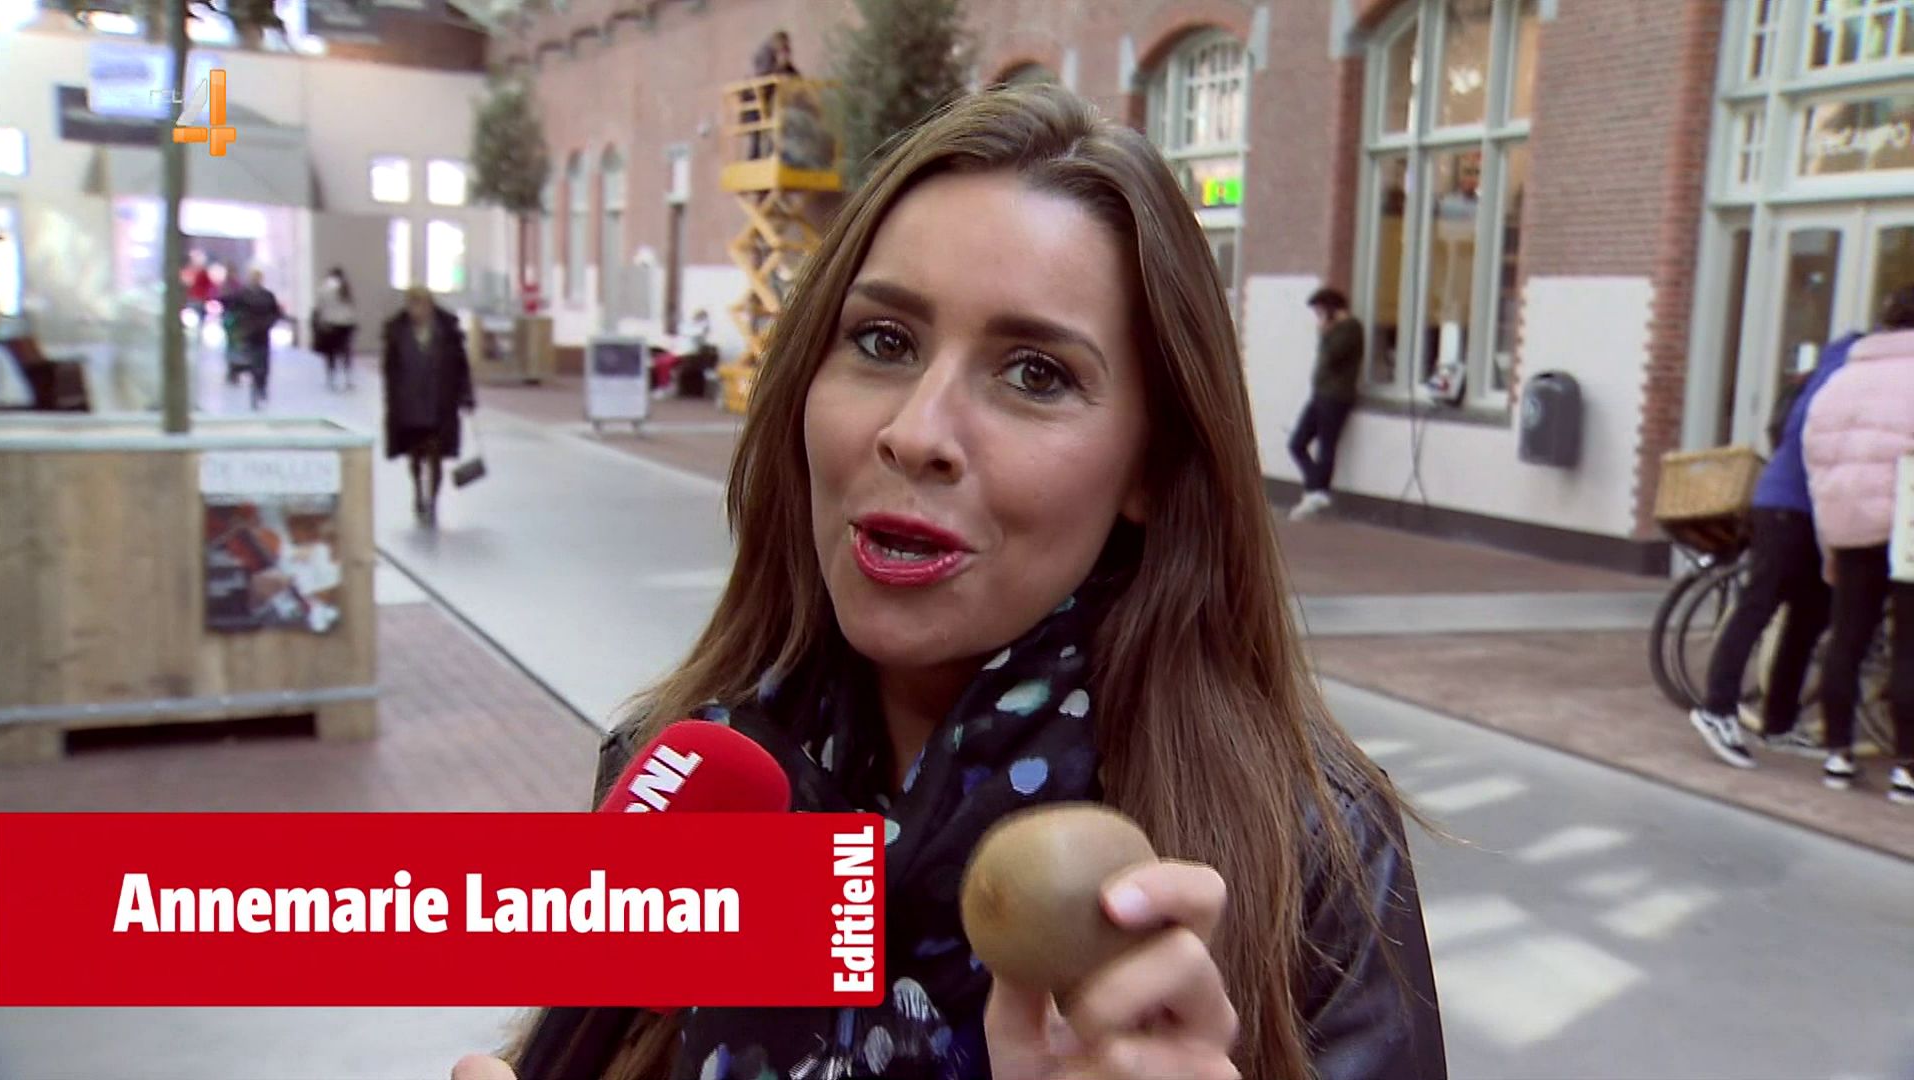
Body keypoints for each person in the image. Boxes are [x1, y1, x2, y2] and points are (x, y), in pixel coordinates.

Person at [454, 85, 1442, 1080]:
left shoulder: (1310, 850)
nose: (917, 432)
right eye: (884, 342)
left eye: (1036, 374)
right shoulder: (682, 780)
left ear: (1151, 463)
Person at [1685, 329, 1864, 769]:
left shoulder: (1841, 364)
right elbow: (1811, 439)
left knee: (1808, 617)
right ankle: (1717, 710)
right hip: (1791, 505)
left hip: (1808, 509)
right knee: (1758, 607)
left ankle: (1779, 721)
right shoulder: (1848, 373)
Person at [1802, 284, 1914, 803]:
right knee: (1910, 647)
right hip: (1907, 528)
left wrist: (1830, 535)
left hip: (1849, 526)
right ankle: (1907, 769)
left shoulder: (1840, 381)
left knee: (1847, 638)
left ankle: (1838, 753)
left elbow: (1814, 458)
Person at [382, 285, 474, 526]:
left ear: (430, 305)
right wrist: (392, 401)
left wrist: (466, 395)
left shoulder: (447, 330)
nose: (416, 310)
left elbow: (461, 365)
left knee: (436, 454)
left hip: (439, 402)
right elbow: (390, 370)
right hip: (409, 404)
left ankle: (432, 500)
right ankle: (417, 493)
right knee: (415, 456)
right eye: (412, 304)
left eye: (420, 304)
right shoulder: (397, 331)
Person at [1287, 286, 1364, 521]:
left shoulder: (1351, 328)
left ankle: (1317, 492)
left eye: (1320, 312)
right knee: (1297, 443)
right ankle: (1316, 490)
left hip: (1336, 396)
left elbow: (1333, 356)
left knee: (1326, 445)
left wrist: (1325, 332)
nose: (1319, 318)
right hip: (1321, 394)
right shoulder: (1335, 330)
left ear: (1332, 309)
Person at [219, 266, 283, 407]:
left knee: (263, 362)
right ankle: (256, 385)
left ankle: (261, 385)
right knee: (253, 361)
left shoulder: (266, 295)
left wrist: (268, 323)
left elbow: (275, 312)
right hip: (250, 333)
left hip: (261, 333)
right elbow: (234, 310)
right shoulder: (243, 295)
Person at [746, 30, 798, 159]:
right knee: (757, 133)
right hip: (754, 99)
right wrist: (780, 68)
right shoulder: (766, 56)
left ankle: (776, 153)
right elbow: (763, 76)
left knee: (779, 125)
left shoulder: (780, 56)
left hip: (770, 100)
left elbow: (793, 73)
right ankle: (756, 157)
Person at [312, 266, 359, 391]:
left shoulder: (323, 288)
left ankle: (332, 379)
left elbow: (320, 307)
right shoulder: (346, 287)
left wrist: (320, 323)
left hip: (330, 324)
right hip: (347, 324)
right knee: (346, 352)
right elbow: (351, 307)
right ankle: (348, 379)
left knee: (330, 353)